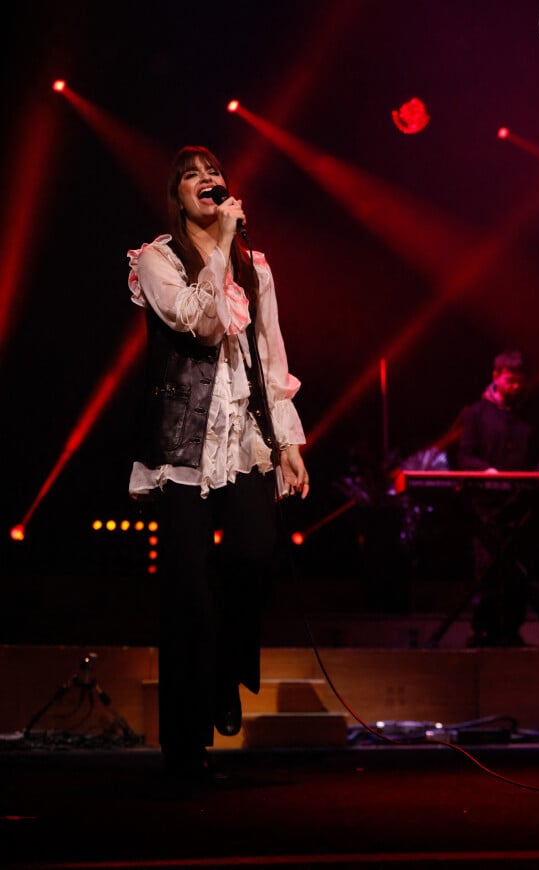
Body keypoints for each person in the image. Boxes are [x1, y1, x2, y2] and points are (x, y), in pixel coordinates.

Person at [126, 145, 309, 782]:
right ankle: (183, 746)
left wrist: (288, 442)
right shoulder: (156, 260)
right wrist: (218, 245)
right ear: (176, 196)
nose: (206, 180)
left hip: (246, 441)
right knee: (186, 595)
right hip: (182, 448)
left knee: (254, 555)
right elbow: (195, 325)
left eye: (213, 172)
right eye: (190, 175)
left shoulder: (255, 267)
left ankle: (226, 672)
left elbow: (269, 352)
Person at [456, 349, 539, 647]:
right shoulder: (475, 414)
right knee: (488, 571)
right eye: (510, 381)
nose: (516, 387)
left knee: (518, 573)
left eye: (520, 381)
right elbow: (464, 456)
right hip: (488, 508)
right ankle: (484, 629)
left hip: (521, 506)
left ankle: (511, 630)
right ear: (496, 377)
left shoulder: (530, 416)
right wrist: (488, 471)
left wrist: (537, 477)